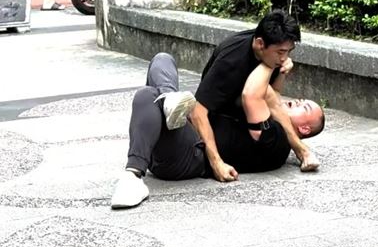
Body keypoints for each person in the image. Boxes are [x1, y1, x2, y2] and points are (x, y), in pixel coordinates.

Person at [110, 52, 325, 208]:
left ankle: (133, 175)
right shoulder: (276, 122)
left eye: (304, 107)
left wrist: (271, 58)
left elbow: (256, 95)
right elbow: (274, 99)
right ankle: (169, 100)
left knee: (147, 96)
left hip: (189, 155)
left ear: (305, 128)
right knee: (162, 59)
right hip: (182, 132)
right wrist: (281, 71)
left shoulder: (278, 143)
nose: (299, 101)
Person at [190, 9, 321, 183]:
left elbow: (273, 97)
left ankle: (301, 150)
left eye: (289, 52)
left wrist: (281, 73)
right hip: (221, 117)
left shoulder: (271, 53)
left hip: (247, 120)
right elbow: (198, 111)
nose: (285, 58)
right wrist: (217, 163)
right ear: (260, 44)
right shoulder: (231, 60)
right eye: (280, 52)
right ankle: (301, 150)